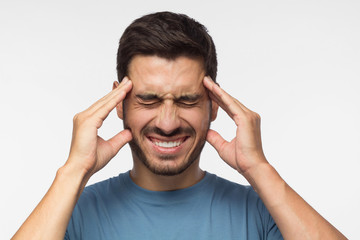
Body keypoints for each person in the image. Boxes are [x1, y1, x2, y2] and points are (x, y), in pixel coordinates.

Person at [12, 11, 347, 240]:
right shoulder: (71, 213)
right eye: (149, 99)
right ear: (118, 102)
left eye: (187, 100)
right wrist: (73, 170)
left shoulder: (260, 213)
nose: (168, 123)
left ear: (213, 104)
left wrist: (259, 169)